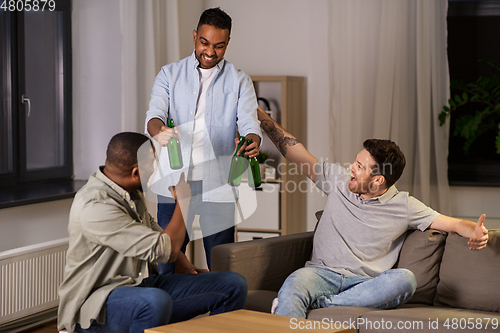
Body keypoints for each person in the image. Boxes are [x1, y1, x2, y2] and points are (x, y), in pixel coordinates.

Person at [255, 107, 489, 319]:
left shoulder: (405, 206)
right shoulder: (339, 180)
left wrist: (476, 232)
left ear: (378, 179)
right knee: (295, 282)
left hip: (365, 284)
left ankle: (323, 304)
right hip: (320, 274)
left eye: (359, 166)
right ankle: (312, 302)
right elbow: (295, 152)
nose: (350, 168)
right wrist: (262, 117)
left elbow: (454, 224)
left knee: (404, 279)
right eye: (355, 162)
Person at [57, 132, 247, 333]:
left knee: (232, 284)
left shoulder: (131, 193)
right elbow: (165, 249)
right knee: (154, 301)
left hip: (141, 285)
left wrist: (182, 261)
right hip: (97, 303)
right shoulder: (95, 205)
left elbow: (154, 234)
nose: (156, 169)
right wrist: (184, 201)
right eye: (152, 164)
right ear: (136, 172)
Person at [145, 7, 262, 273]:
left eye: (219, 46)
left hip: (217, 186)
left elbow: (249, 124)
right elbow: (154, 115)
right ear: (195, 36)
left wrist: (252, 140)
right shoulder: (169, 74)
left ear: (228, 43)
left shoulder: (240, 80)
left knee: (221, 266)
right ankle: (174, 314)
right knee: (166, 264)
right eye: (204, 43)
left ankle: (222, 314)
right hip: (175, 184)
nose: (210, 52)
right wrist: (159, 130)